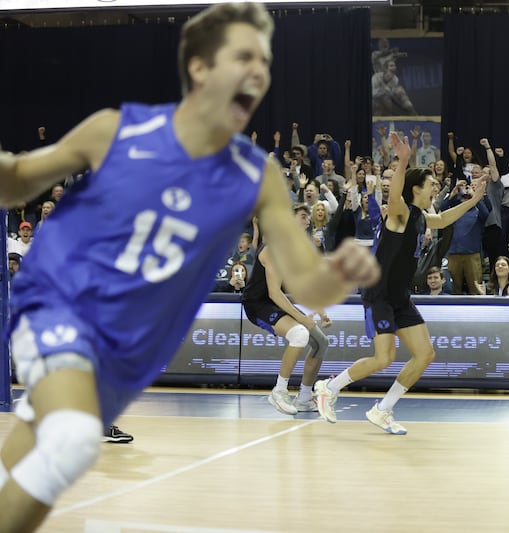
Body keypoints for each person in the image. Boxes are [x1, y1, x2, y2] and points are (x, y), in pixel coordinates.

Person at [0, 5, 379, 531]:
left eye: (264, 61)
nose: (259, 71)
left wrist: (340, 272)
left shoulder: (256, 175)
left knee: (43, 439)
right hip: (59, 299)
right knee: (67, 437)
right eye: (243, 56)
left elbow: (307, 278)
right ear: (200, 68)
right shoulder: (117, 130)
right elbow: (19, 179)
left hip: (126, 346)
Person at [313, 132, 488, 434]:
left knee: (426, 354)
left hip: (400, 296)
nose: (436, 187)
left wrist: (473, 200)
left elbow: (444, 219)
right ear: (416, 188)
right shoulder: (401, 212)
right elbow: (395, 195)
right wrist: (404, 161)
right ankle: (329, 387)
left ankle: (383, 409)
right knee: (384, 358)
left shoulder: (420, 216)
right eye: (432, 184)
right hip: (378, 293)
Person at [242, 204, 331, 415]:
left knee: (321, 343)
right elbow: (274, 293)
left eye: (308, 217)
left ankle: (303, 398)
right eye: (302, 216)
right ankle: (279, 391)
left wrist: (321, 312)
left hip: (273, 303)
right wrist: (301, 317)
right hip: (257, 305)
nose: (307, 220)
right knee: (300, 334)